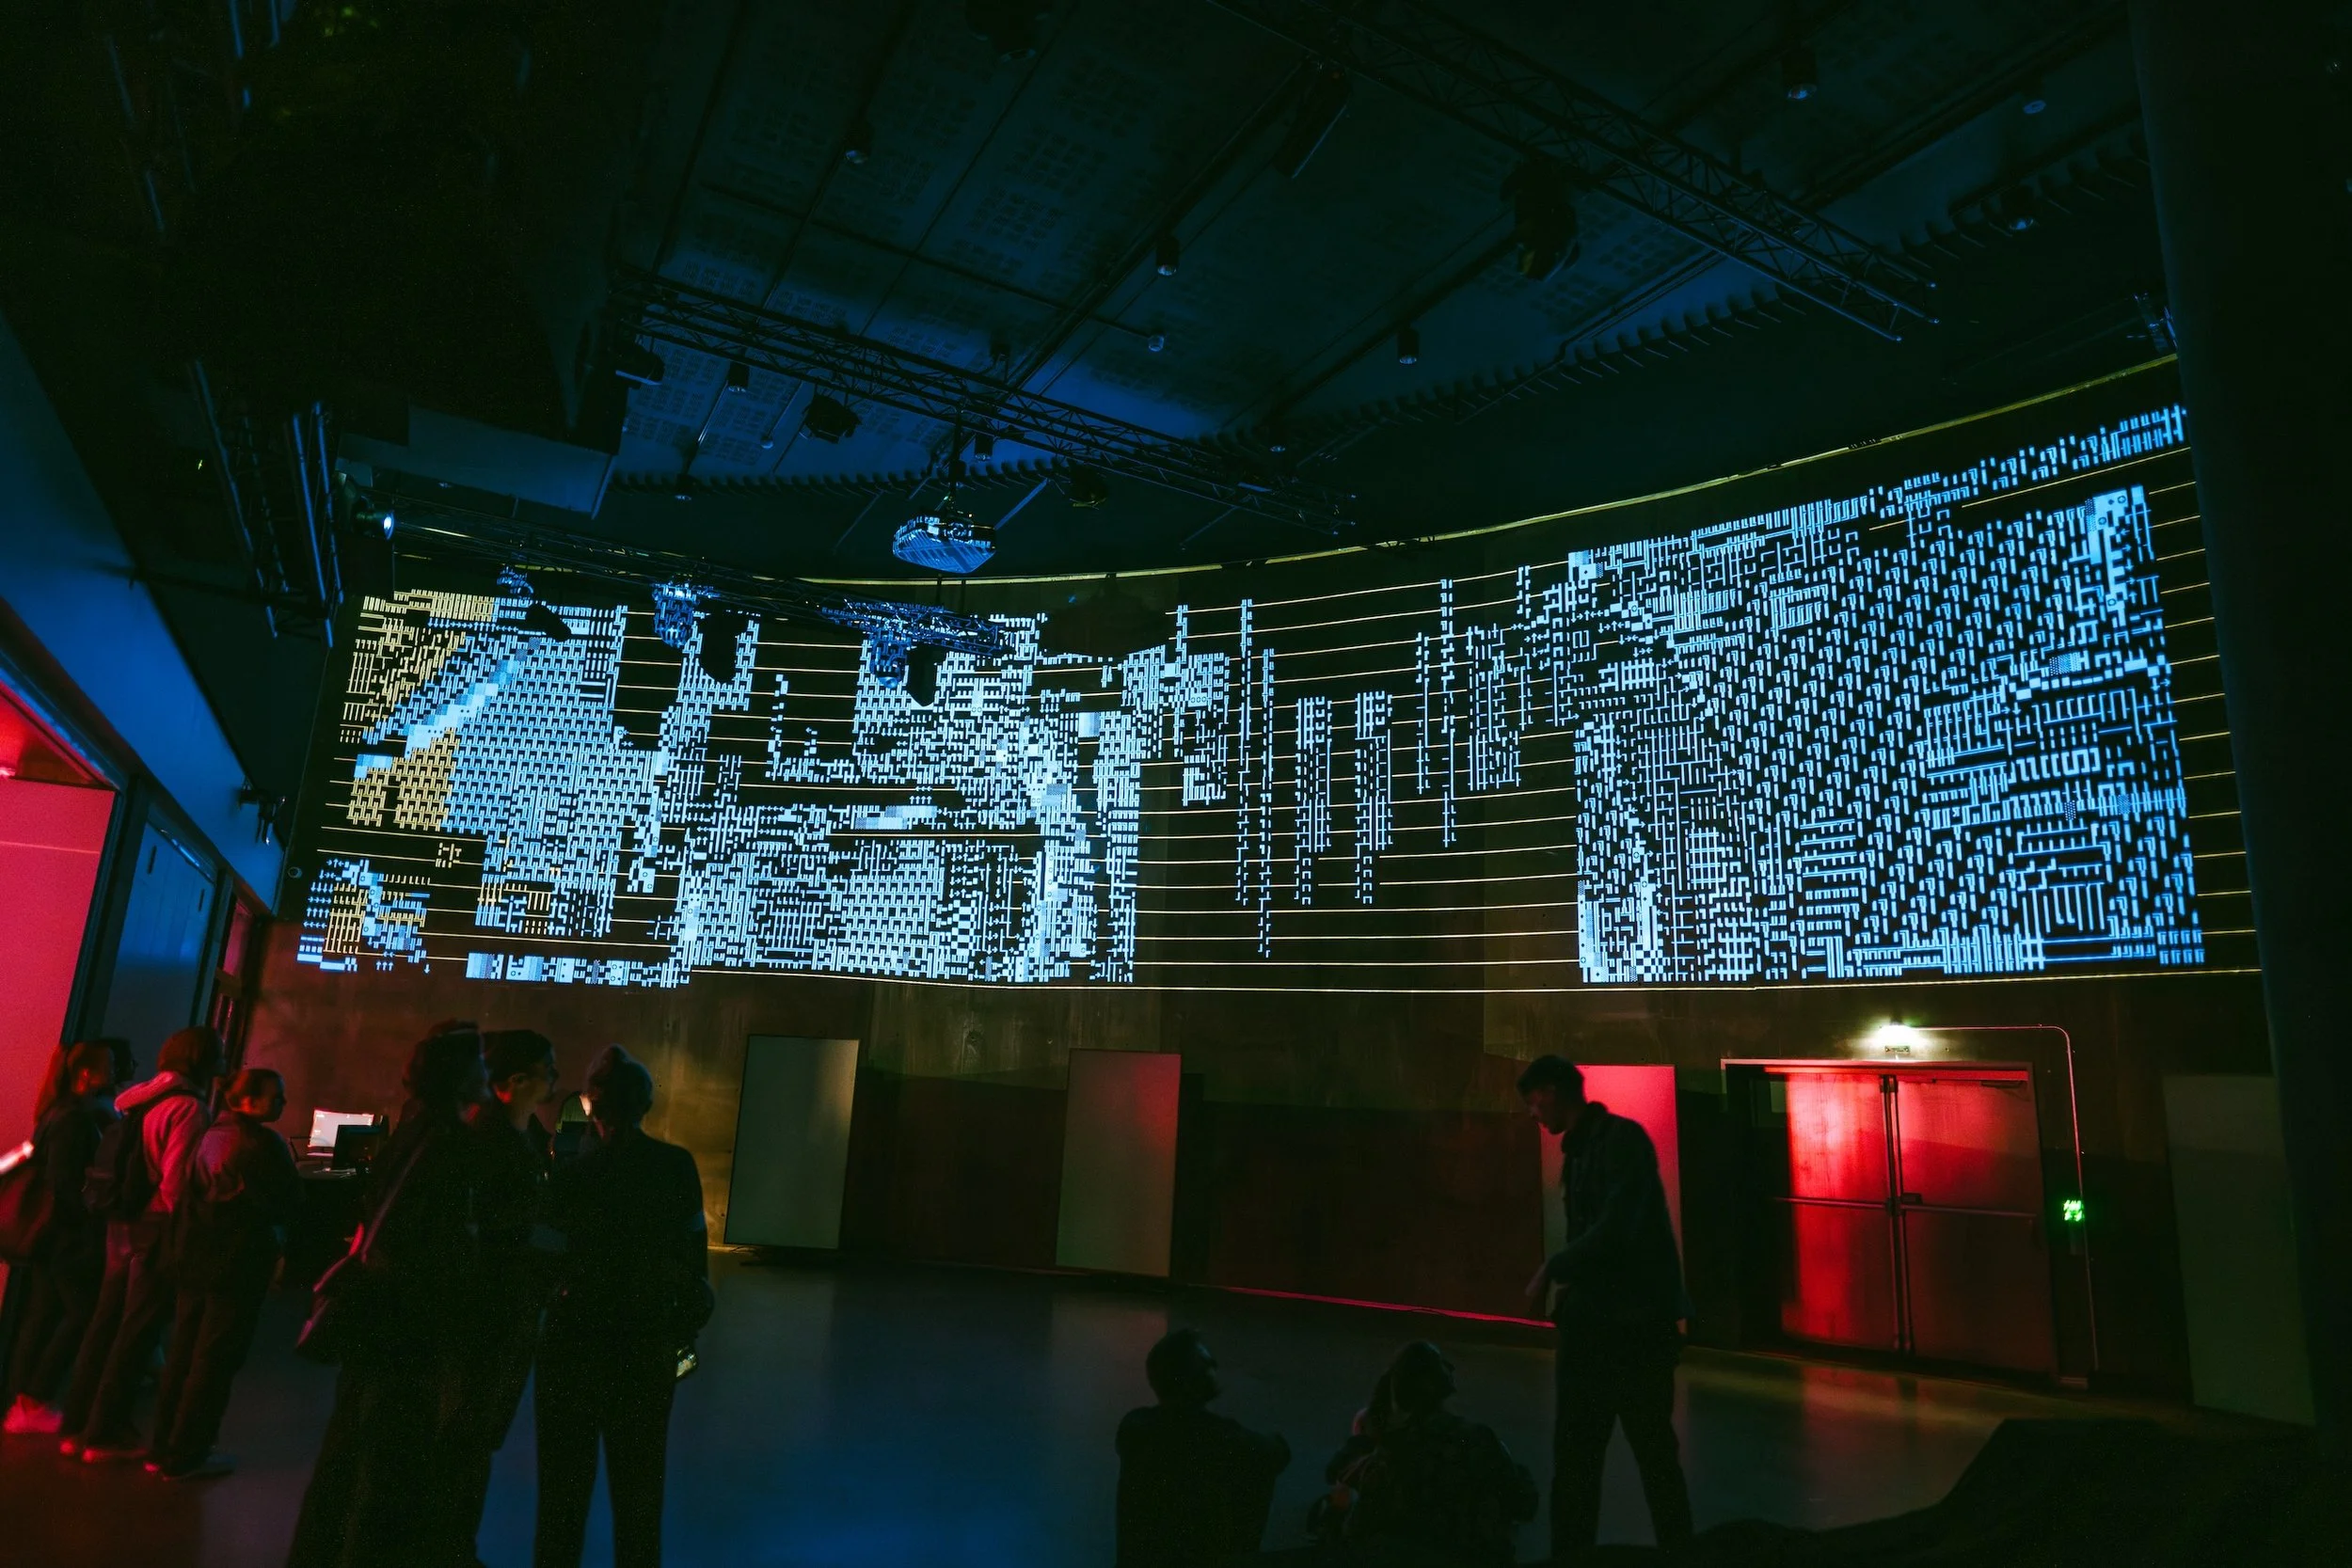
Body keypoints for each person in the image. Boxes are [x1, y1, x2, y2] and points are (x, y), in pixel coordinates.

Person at [286, 1024, 490, 1568]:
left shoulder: (412, 1130)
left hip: (378, 1312)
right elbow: (435, 1244)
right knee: (388, 1463)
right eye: (481, 1065)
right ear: (462, 1075)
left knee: (351, 1452)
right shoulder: (450, 1142)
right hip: (407, 1322)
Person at [534, 1046, 709, 1568]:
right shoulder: (676, 1167)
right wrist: (680, 1333)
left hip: (572, 1347)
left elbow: (543, 1265)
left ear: (591, 1105)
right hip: (646, 1346)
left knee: (562, 1498)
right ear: (645, 1105)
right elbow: (694, 1269)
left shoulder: (571, 1176)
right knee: (639, 1494)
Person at [1518, 1055, 1693, 1561]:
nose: (1533, 1113)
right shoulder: (1612, 1143)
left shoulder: (1607, 1146)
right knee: (1653, 1456)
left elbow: (1614, 1230)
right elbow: (1617, 1230)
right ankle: (1681, 1554)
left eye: (1533, 1101)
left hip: (1613, 1330)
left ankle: (1573, 1555)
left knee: (1580, 1460)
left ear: (1551, 1091)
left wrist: (1554, 1269)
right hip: (1634, 1328)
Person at [59, 1023, 223, 1463]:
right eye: (219, 1055)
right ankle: (105, 1432)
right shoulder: (188, 1107)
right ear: (203, 1060)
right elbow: (175, 1182)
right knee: (138, 1330)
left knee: (105, 1323)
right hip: (154, 1226)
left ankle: (76, 1424)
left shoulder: (138, 1099)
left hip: (121, 1221)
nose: (224, 1064)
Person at [437, 1028, 562, 1562]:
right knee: (468, 1433)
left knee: (474, 1434)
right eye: (547, 1071)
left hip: (503, 1311)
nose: (555, 1080)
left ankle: (451, 1544)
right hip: (487, 1314)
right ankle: (449, 1547)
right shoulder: (493, 1143)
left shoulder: (508, 1135)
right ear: (517, 1081)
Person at [145, 1067, 302, 1480]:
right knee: (215, 1360)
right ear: (248, 1100)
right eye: (276, 1096)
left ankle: (162, 1446)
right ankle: (188, 1454)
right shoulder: (261, 1145)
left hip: (196, 1258)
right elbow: (288, 1201)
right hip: (237, 1265)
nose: (283, 1103)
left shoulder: (212, 1133)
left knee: (184, 1354)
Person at [1326, 1341, 1536, 1568]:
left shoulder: (1393, 1452)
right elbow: (1524, 1504)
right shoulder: (1477, 1440)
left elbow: (1340, 1471)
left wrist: (1367, 1433)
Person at [1, 1039, 121, 1433]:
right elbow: (66, 1185)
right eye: (108, 1064)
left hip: (49, 1237)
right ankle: (33, 1399)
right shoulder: (75, 1119)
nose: (115, 1070)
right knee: (79, 1314)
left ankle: (24, 1403)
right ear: (86, 1073)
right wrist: (90, 1216)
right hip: (66, 1238)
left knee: (41, 1316)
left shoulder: (56, 1112)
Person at [1115, 1328, 1292, 1567]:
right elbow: (1276, 1453)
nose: (1214, 1365)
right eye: (1204, 1361)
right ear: (1185, 1374)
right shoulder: (1217, 1435)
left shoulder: (1136, 1426)